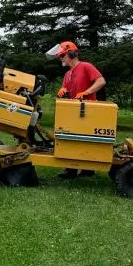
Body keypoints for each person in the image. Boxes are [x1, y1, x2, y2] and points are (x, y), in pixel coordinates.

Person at [46, 41, 106, 179]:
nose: (60, 59)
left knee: (86, 140)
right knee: (70, 138)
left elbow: (101, 81)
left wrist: (86, 92)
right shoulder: (68, 74)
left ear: (71, 54)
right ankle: (70, 170)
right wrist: (63, 90)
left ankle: (88, 169)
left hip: (88, 110)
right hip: (73, 111)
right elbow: (66, 88)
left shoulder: (86, 66)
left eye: (62, 56)